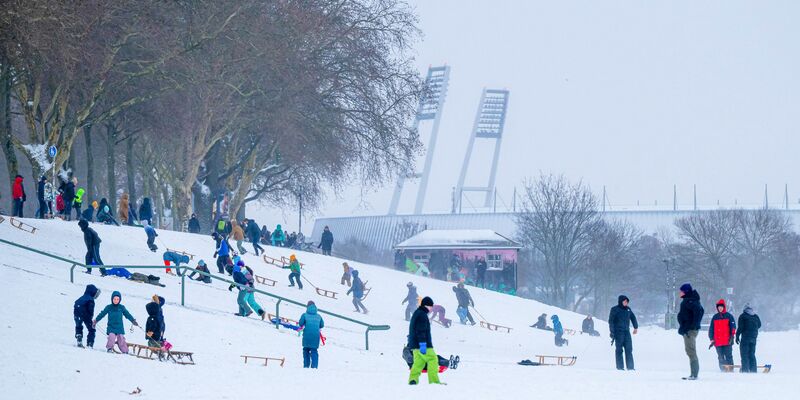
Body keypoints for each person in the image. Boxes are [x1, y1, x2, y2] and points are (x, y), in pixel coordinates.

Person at [408, 296, 441, 385]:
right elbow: (421, 331)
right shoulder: (422, 315)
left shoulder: (417, 313)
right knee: (433, 359)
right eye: (431, 307)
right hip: (423, 345)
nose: (431, 309)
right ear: (427, 306)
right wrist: (423, 344)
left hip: (415, 345)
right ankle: (434, 381)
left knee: (418, 363)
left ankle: (413, 380)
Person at [677, 283, 705, 380]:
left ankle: (694, 374)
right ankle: (693, 373)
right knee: (690, 351)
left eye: (681, 291)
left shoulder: (690, 301)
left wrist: (692, 325)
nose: (679, 293)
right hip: (687, 330)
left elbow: (699, 311)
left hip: (690, 331)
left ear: (686, 292)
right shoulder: (689, 300)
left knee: (691, 351)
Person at [608, 295, 638, 370]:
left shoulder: (628, 309)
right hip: (618, 333)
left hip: (626, 332)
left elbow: (633, 317)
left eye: (627, 301)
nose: (626, 303)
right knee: (619, 350)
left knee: (629, 349)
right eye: (624, 301)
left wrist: (635, 327)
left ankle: (630, 367)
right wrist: (612, 332)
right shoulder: (615, 309)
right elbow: (611, 321)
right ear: (620, 301)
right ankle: (620, 367)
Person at [709, 299, 736, 371]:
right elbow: (711, 329)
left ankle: (730, 369)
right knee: (720, 357)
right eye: (718, 307)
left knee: (728, 356)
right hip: (717, 341)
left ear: (724, 307)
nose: (720, 308)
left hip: (727, 341)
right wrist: (711, 338)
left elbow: (733, 327)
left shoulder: (729, 316)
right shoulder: (715, 317)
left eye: (721, 307)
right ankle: (723, 369)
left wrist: (732, 336)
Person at [299, 301, 325, 369]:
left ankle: (306, 366)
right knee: (314, 350)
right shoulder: (319, 316)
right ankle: (314, 367)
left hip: (307, 335)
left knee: (306, 350)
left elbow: (300, 323)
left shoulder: (304, 315)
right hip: (316, 336)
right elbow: (322, 325)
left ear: (307, 307)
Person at [73, 284, 101, 348]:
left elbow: (76, 305)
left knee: (79, 326)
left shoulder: (80, 298)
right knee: (91, 329)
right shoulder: (90, 299)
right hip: (86, 315)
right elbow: (90, 309)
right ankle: (90, 343)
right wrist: (90, 317)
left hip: (77, 314)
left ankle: (79, 336)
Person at [736, 304, 761, 373]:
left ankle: (745, 370)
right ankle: (753, 370)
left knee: (744, 354)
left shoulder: (742, 316)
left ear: (744, 309)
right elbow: (759, 325)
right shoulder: (755, 316)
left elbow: (740, 327)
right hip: (753, 338)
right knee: (752, 354)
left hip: (745, 338)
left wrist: (737, 336)